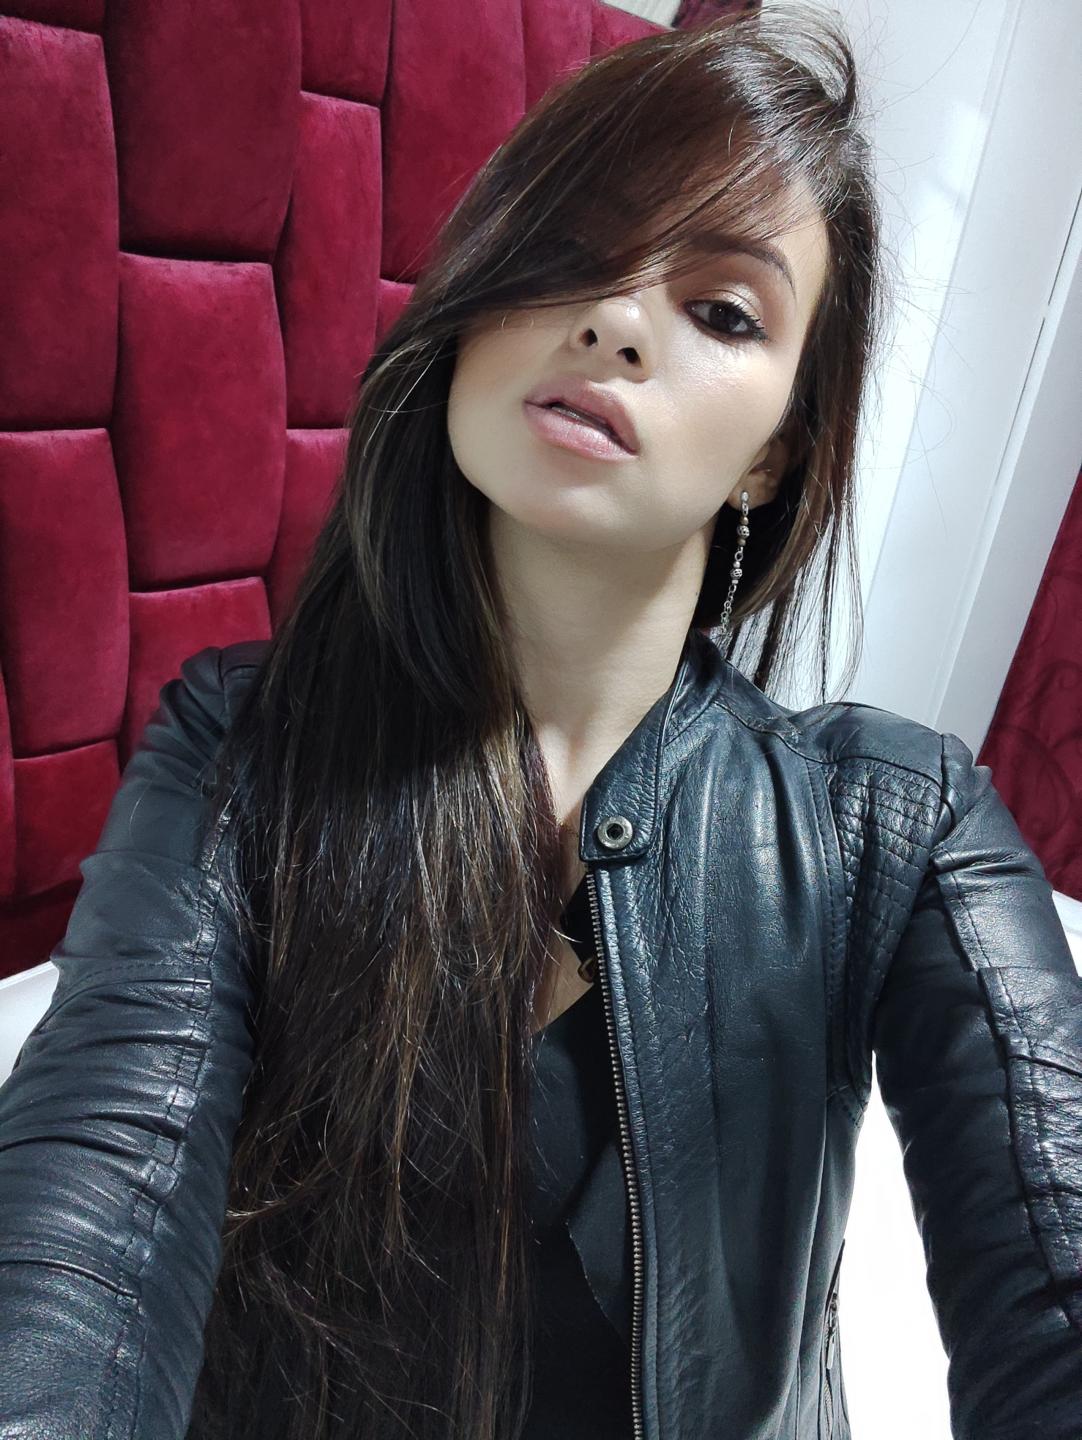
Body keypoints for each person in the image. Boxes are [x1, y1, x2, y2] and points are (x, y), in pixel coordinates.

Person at [1, 6, 1079, 1440]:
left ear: (772, 454)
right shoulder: (246, 745)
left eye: (723, 311)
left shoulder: (896, 823)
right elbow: (97, 1205)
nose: (616, 317)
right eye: (572, 247)